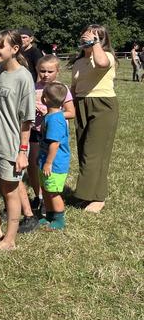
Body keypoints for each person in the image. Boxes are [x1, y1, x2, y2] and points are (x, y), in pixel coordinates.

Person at [0, 30, 36, 250]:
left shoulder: (24, 77)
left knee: (10, 191)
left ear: (14, 49)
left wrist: (22, 152)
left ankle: (9, 240)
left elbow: (27, 121)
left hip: (12, 145)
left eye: (0, 46)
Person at [71, 24, 119, 213]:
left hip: (102, 106)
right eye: (86, 34)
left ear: (102, 40)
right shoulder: (78, 62)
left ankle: (97, 197)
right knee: (84, 151)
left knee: (95, 153)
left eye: (95, 36)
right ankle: (90, 194)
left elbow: (101, 63)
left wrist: (96, 43)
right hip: (82, 104)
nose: (88, 37)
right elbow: (75, 88)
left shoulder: (106, 57)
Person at [28, 55, 75, 212]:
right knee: (35, 164)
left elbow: (71, 112)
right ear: (36, 70)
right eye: (42, 71)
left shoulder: (61, 89)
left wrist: (53, 114)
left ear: (57, 71)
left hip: (52, 134)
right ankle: (39, 196)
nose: (46, 75)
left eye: (50, 71)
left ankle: (51, 197)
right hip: (35, 132)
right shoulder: (33, 87)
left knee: (49, 165)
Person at [38, 82, 71, 230]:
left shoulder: (56, 119)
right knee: (45, 188)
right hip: (45, 160)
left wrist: (48, 163)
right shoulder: (49, 116)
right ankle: (50, 214)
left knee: (53, 192)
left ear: (45, 99)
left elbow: (55, 144)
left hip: (55, 164)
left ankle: (59, 219)